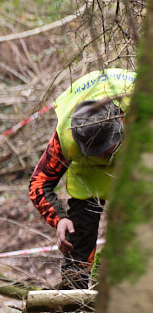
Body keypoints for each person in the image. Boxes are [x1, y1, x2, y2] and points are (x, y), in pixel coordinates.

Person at [29, 67, 134, 288]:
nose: (104, 154)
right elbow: (39, 182)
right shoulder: (66, 138)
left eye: (107, 148)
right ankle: (73, 295)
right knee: (78, 233)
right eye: (96, 150)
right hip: (88, 174)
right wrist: (59, 219)